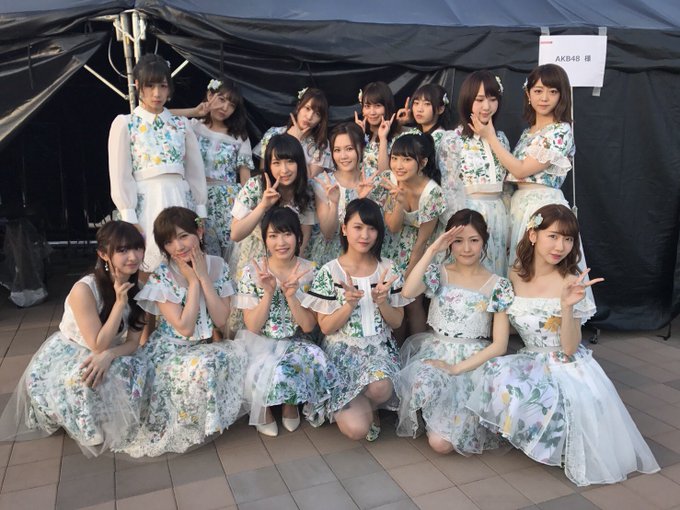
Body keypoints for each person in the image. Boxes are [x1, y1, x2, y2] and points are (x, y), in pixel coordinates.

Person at [467, 204, 659, 486]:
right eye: (554, 236)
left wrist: (567, 307)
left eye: (568, 239)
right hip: (531, 358)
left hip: (567, 363)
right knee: (496, 375)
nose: (561, 246)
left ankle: (560, 443)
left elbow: (569, 348)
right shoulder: (514, 275)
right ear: (533, 235)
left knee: (571, 411)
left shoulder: (571, 281)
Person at [0, 221, 151, 456]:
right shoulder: (85, 289)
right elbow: (97, 344)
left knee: (131, 370)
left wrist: (109, 355)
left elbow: (133, 342)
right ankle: (81, 420)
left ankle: (107, 415)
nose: (133, 257)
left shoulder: (139, 288)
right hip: (73, 351)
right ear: (103, 254)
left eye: (137, 248)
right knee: (87, 379)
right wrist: (119, 304)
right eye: (122, 250)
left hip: (111, 349)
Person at [119, 207, 247, 457]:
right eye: (168, 242)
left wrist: (204, 277)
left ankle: (206, 418)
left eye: (183, 236)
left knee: (233, 356)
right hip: (171, 349)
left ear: (199, 231)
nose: (177, 247)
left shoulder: (217, 265)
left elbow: (221, 319)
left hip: (204, 346)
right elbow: (185, 327)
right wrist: (193, 283)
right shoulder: (163, 274)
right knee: (206, 365)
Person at [395, 210, 512, 455]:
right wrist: (432, 250)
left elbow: (500, 345)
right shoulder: (439, 272)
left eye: (474, 240)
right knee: (439, 440)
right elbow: (407, 292)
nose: (466, 248)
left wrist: (457, 368)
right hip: (436, 351)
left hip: (473, 364)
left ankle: (447, 416)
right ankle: (431, 408)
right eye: (458, 241)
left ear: (484, 240)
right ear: (449, 242)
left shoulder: (498, 285)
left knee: (443, 444)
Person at [301, 198, 411, 441]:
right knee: (356, 430)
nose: (365, 235)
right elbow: (326, 327)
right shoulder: (330, 271)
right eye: (358, 227)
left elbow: (396, 322)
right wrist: (348, 305)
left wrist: (382, 302)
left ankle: (369, 404)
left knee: (381, 388)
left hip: (378, 348)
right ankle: (354, 402)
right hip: (342, 351)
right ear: (344, 229)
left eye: (371, 228)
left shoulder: (388, 269)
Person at [468, 64, 580, 269]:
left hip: (543, 206)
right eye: (538, 91)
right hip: (519, 205)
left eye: (552, 92)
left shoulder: (560, 131)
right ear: (528, 94)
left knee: (540, 269)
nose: (544, 98)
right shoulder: (528, 132)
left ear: (561, 95)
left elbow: (520, 170)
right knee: (521, 268)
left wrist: (490, 137)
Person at [235, 207, 334, 436]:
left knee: (309, 358)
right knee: (256, 366)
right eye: (273, 235)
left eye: (287, 234)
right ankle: (264, 408)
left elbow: (308, 326)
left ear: (298, 237)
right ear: (265, 240)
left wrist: (292, 296)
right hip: (260, 340)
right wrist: (268, 292)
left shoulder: (310, 271)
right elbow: (253, 326)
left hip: (296, 340)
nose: (281, 242)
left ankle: (290, 402)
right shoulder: (252, 272)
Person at [108, 53, 207, 272]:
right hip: (146, 202)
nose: (157, 93)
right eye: (150, 86)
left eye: (162, 86)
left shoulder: (181, 124)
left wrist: (200, 211)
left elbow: (195, 172)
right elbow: (120, 174)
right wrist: (129, 215)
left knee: (186, 262)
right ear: (137, 85)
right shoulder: (126, 123)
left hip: (181, 198)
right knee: (150, 264)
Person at [171, 77, 254, 260]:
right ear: (210, 95)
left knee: (231, 254)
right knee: (201, 250)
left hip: (228, 202)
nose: (225, 108)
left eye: (231, 105)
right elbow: (159, 116)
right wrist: (194, 111)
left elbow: (245, 180)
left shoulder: (239, 137)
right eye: (221, 100)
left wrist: (249, 211)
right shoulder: (192, 126)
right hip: (196, 197)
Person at [441, 71, 510, 275]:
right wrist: (459, 228)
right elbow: (449, 188)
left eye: (492, 99)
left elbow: (507, 187)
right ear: (468, 100)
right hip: (468, 214)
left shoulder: (501, 138)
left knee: (494, 274)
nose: (486, 106)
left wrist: (509, 225)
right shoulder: (452, 139)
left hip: (498, 215)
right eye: (479, 100)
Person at [380, 133, 448, 340]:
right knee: (392, 300)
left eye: (407, 159)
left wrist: (408, 274)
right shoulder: (391, 180)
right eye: (395, 158)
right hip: (391, 245)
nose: (398, 165)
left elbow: (423, 241)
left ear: (423, 162)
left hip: (420, 251)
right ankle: (394, 348)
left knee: (412, 301)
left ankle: (416, 350)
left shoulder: (432, 193)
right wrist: (399, 203)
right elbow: (392, 227)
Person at [310, 123, 385, 266]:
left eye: (349, 149)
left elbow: (378, 226)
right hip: (331, 257)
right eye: (337, 150)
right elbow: (328, 233)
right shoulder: (325, 182)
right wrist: (334, 202)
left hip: (365, 255)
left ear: (361, 148)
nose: (343, 156)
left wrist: (363, 200)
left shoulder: (373, 180)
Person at [255, 87, 332, 177]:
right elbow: (264, 172)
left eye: (317, 114)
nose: (309, 116)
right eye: (307, 108)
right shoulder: (273, 133)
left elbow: (310, 177)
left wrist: (296, 142)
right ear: (299, 106)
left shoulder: (321, 144)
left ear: (320, 120)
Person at [356, 81, 420, 178]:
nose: (372, 112)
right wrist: (358, 137)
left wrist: (383, 139)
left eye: (378, 106)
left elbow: (385, 174)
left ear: (387, 107)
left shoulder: (400, 135)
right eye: (367, 106)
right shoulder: (361, 132)